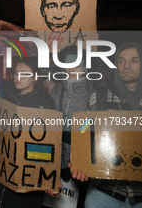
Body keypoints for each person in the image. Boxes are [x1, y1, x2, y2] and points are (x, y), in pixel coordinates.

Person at [77, 43, 142, 208]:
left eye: (134, 60)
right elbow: (82, 130)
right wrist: (81, 160)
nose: (126, 65)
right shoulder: (98, 97)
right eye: (121, 61)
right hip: (103, 193)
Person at [0, 58, 54, 208]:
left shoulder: (45, 104)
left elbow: (48, 145)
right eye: (16, 74)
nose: (18, 78)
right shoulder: (8, 99)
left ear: (35, 77)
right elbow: (0, 134)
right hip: (3, 173)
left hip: (26, 177)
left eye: (24, 74)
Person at [49, 45, 93, 207]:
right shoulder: (56, 91)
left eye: (76, 64)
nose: (71, 69)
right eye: (68, 65)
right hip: (57, 160)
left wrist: (77, 128)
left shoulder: (93, 93)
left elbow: (93, 126)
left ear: (85, 67)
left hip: (81, 163)